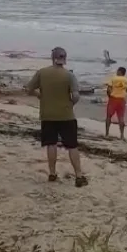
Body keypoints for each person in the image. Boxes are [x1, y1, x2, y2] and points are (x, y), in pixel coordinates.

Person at [26, 47, 88, 188]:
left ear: (52, 58)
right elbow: (76, 95)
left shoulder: (42, 73)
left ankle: (52, 174)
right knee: (72, 145)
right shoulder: (69, 75)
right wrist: (70, 104)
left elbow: (28, 89)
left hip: (48, 115)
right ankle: (78, 176)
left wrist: (39, 95)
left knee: (51, 144)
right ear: (64, 59)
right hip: (66, 115)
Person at [105, 66, 127, 140]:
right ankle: (122, 135)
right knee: (121, 118)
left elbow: (108, 90)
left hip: (113, 99)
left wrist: (109, 96)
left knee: (109, 116)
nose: (116, 72)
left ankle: (107, 133)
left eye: (117, 71)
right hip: (122, 100)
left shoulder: (113, 78)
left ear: (119, 72)